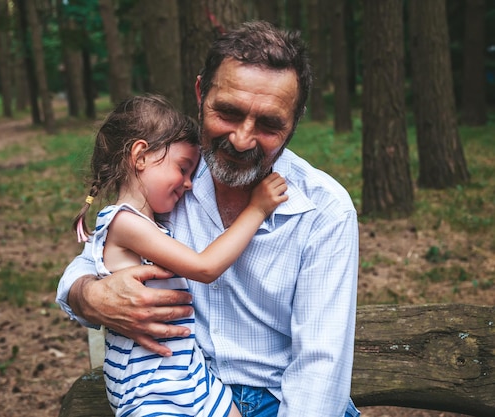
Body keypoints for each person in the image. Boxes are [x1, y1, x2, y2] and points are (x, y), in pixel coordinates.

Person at [57, 21, 360, 417]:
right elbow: (93, 259)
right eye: (228, 113)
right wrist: (89, 295)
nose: (241, 139)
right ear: (201, 93)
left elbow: (319, 372)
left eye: (269, 124)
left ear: (295, 121)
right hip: (184, 396)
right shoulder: (170, 182)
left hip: (280, 401)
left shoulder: (325, 211)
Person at [71, 94, 288, 417]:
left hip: (190, 372)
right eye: (183, 168)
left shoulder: (150, 224)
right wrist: (257, 209)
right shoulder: (123, 222)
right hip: (150, 386)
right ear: (141, 156)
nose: (188, 184)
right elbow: (205, 267)